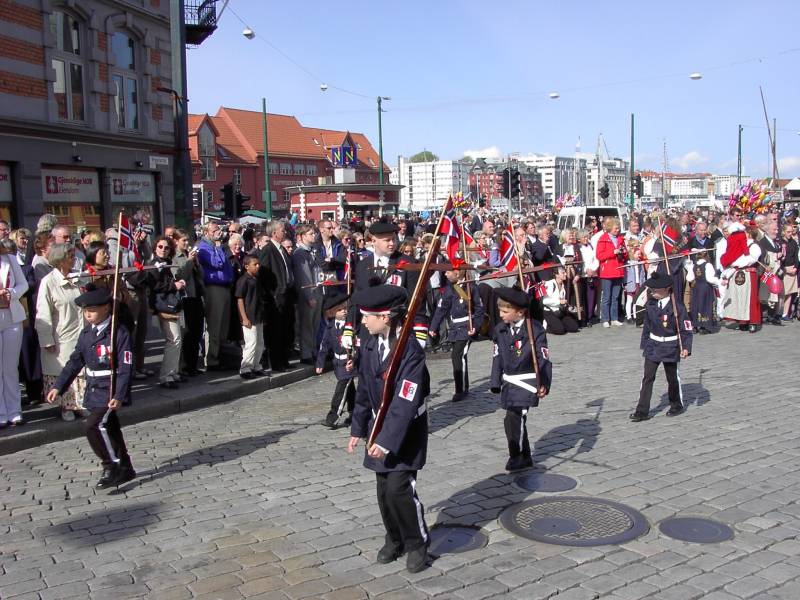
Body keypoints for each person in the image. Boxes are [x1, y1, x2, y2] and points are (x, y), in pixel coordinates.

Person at [347, 285, 430, 574]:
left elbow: (405, 403)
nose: (363, 322)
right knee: (383, 490)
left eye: (368, 317)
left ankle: (416, 542)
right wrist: (358, 428)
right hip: (376, 426)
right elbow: (365, 391)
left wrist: (385, 441)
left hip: (403, 431)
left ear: (386, 317)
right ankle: (394, 538)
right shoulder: (369, 343)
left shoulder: (410, 350)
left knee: (399, 488)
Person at [45, 287, 136, 488]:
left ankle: (111, 466)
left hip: (111, 388)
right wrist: (59, 386)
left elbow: (126, 367)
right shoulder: (86, 333)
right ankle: (126, 467)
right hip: (94, 388)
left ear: (106, 309)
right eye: (85, 310)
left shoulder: (118, 333)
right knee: (111, 428)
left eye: (92, 310)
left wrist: (120, 394)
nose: (88, 314)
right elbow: (75, 361)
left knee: (93, 426)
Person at [490, 287, 552, 471]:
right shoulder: (500, 330)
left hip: (527, 381)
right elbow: (497, 357)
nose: (501, 315)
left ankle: (515, 455)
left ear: (520, 312)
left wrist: (544, 383)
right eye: (500, 310)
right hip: (509, 382)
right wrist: (495, 382)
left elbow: (544, 359)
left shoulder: (535, 330)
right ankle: (525, 456)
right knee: (516, 418)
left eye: (505, 311)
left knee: (514, 417)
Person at [629, 272, 693, 422]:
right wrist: (644, 344)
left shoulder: (677, 307)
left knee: (672, 378)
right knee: (647, 377)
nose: (652, 292)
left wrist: (686, 347)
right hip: (653, 345)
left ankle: (676, 404)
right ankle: (642, 410)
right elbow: (647, 326)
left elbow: (686, 328)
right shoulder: (650, 304)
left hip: (670, 345)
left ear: (666, 289)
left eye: (655, 290)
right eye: (651, 290)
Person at [35, 243, 86, 421]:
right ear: (60, 260)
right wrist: (46, 339)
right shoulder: (49, 282)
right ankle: (66, 407)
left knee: (81, 370)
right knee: (64, 370)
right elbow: (42, 312)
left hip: (79, 332)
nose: (73, 259)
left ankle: (79, 404)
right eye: (70, 256)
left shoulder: (77, 278)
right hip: (61, 335)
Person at [428, 268, 485, 402]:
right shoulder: (449, 289)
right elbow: (442, 308)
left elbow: (479, 310)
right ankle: (463, 386)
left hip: (467, 326)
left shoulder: (472, 288)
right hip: (454, 328)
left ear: (458, 273)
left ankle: (460, 389)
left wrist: (475, 326)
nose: (445, 274)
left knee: (458, 355)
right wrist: (434, 326)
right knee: (458, 356)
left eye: (448, 272)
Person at [148, 236, 185, 388]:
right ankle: (166, 376)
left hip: (172, 304)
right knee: (174, 339)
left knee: (177, 340)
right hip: (163, 306)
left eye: (166, 247)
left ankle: (173, 372)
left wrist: (180, 282)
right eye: (160, 247)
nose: (163, 250)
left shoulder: (167, 263)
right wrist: (174, 285)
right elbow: (154, 285)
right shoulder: (153, 265)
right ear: (155, 248)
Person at [197, 222, 234, 370]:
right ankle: (211, 360)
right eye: (215, 230)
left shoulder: (217, 247)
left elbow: (226, 266)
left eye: (219, 229)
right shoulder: (204, 248)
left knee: (223, 326)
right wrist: (218, 246)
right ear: (207, 233)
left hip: (224, 287)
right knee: (215, 325)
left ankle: (221, 356)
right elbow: (217, 263)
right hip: (214, 288)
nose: (219, 232)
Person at [0, 239, 29, 427]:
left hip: (12, 317)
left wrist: (12, 292)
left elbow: (23, 284)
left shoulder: (10, 259)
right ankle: (1, 411)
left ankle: (14, 410)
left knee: (10, 367)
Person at [259, 220, 295, 372]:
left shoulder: (281, 249)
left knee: (286, 328)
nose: (284, 232)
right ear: (274, 233)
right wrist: (272, 293)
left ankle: (284, 359)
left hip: (286, 294)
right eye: (282, 230)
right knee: (276, 331)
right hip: (276, 296)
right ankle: (277, 362)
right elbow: (264, 274)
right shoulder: (268, 250)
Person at [316, 292, 356, 428]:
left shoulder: (351, 326)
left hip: (349, 363)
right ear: (332, 312)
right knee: (349, 390)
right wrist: (320, 363)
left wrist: (355, 358)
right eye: (340, 309)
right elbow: (324, 346)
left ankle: (333, 416)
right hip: (338, 364)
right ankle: (355, 413)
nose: (344, 311)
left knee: (341, 390)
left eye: (345, 308)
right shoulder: (330, 327)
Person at [720, 221, 762, 333]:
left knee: (749, 299)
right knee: (739, 298)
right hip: (737, 273)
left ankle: (752, 322)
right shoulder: (740, 243)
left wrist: (735, 262)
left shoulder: (754, 246)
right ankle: (742, 321)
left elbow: (750, 259)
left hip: (748, 275)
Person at [173, 230, 204, 376]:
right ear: (176, 241)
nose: (186, 243)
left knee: (198, 331)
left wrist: (196, 263)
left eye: (187, 240)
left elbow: (201, 275)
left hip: (197, 296)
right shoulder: (175, 257)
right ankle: (185, 366)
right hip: (185, 298)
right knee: (188, 332)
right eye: (183, 240)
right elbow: (180, 276)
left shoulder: (189, 255)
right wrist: (189, 262)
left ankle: (193, 365)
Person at [292, 224, 322, 365]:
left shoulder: (314, 251)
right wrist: (309, 296)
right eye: (310, 234)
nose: (313, 236)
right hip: (308, 293)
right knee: (307, 325)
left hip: (317, 291)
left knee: (315, 324)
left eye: (314, 233)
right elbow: (303, 277)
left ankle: (313, 350)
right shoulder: (300, 254)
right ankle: (306, 353)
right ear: (302, 236)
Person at [236, 255, 266, 379]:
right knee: (251, 343)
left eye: (258, 264)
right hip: (249, 316)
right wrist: (244, 318)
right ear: (247, 266)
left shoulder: (256, 279)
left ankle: (256, 365)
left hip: (258, 315)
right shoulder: (243, 280)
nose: (258, 266)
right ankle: (245, 368)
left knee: (260, 343)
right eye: (255, 264)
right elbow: (240, 299)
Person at [595, 217, 627, 327]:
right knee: (606, 297)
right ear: (610, 228)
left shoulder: (621, 239)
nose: (617, 230)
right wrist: (613, 252)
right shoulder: (603, 239)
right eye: (615, 228)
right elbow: (599, 256)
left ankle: (614, 318)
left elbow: (626, 254)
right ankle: (605, 319)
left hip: (618, 270)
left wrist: (623, 252)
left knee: (616, 297)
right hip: (607, 271)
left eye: (618, 228)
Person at [685, 250, 719, 334]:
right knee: (706, 305)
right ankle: (705, 326)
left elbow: (689, 278)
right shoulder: (708, 265)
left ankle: (695, 325)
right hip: (705, 287)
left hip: (696, 287)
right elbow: (709, 278)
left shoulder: (693, 266)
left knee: (695, 305)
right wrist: (717, 281)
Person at [542, 266, 580, 335]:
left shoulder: (563, 285)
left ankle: (558, 324)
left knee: (574, 327)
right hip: (550, 312)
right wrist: (559, 301)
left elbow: (563, 302)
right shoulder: (550, 284)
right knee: (560, 331)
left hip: (560, 311)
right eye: (563, 273)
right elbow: (545, 301)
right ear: (556, 275)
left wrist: (570, 308)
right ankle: (546, 325)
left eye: (565, 272)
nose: (565, 274)